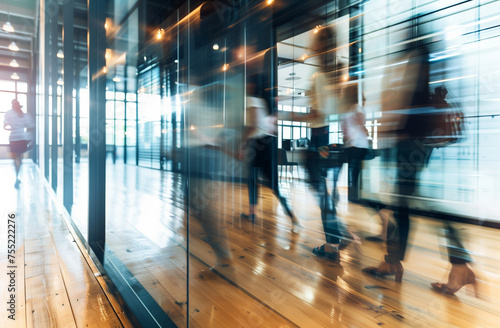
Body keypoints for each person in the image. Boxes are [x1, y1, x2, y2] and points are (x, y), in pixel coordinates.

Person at [362, 38, 477, 295]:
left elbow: (407, 102)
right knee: (404, 204)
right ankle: (394, 261)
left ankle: (459, 264)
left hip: (410, 142)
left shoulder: (416, 52)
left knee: (418, 203)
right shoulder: (417, 53)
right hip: (411, 141)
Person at [292, 26, 354, 261]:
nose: (311, 47)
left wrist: (288, 116)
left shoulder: (319, 76)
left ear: (321, 47)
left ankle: (333, 241)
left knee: (319, 191)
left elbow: (317, 113)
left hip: (317, 136)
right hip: (325, 136)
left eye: (315, 43)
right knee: (321, 191)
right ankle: (336, 237)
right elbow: (331, 109)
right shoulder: (333, 73)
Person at [238, 74, 301, 232]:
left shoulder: (252, 100)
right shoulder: (268, 102)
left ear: (251, 86)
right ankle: (291, 215)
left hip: (258, 144)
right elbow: (272, 125)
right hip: (270, 142)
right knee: (274, 184)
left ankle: (252, 213)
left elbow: (253, 125)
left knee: (252, 178)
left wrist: (242, 142)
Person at [3, 99, 33, 188]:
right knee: (20, 158)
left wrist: (12, 129)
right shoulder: (24, 114)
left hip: (13, 138)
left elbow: (5, 126)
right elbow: (30, 126)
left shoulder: (9, 113)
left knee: (14, 159)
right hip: (22, 138)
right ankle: (17, 176)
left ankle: (16, 176)